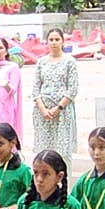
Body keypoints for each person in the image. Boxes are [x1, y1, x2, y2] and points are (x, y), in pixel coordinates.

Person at [32, 27, 81, 160]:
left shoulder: (69, 61)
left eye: (57, 39)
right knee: (44, 152)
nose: (54, 42)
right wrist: (42, 108)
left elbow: (72, 88)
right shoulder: (41, 62)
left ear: (62, 41)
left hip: (62, 112)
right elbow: (36, 87)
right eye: (51, 40)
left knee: (62, 152)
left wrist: (58, 107)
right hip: (43, 113)